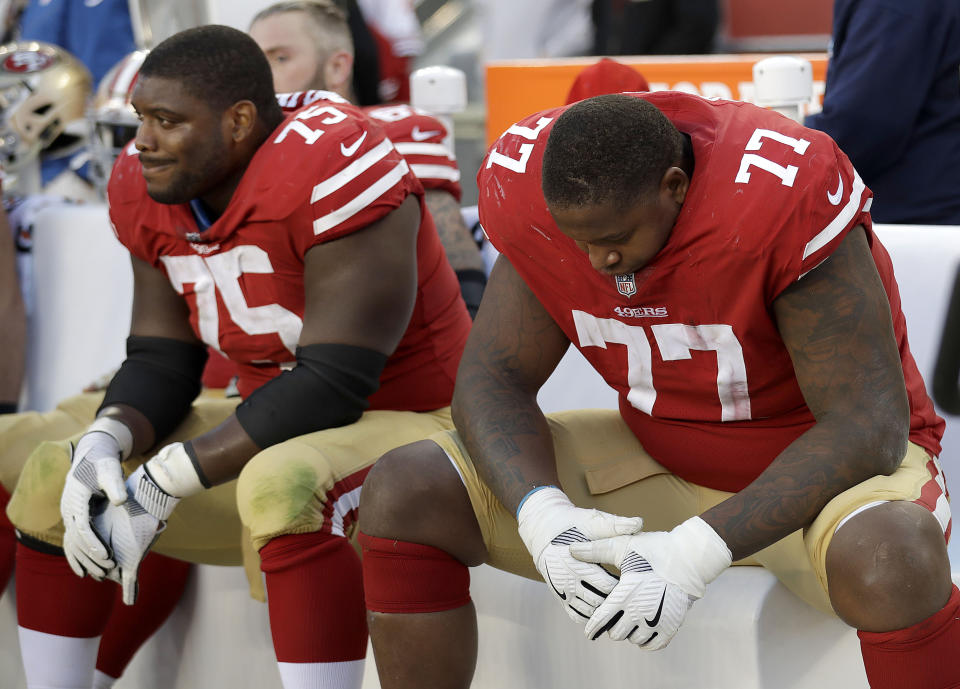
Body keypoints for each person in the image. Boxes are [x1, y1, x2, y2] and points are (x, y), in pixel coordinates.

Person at [357, 92, 956, 689]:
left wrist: (697, 550)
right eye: (579, 241)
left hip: (820, 481)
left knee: (891, 559)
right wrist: (543, 514)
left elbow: (868, 426)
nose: (597, 261)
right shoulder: (536, 198)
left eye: (614, 236)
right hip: (656, 457)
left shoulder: (775, 197)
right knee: (407, 487)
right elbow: (493, 380)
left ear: (674, 186)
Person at [7, 24, 470, 689]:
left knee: (282, 480)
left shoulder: (333, 160)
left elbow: (336, 382)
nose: (143, 141)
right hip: (275, 415)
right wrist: (108, 436)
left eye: (167, 121)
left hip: (416, 419)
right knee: (59, 471)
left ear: (239, 121)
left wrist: (172, 473)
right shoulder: (151, 184)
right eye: (142, 117)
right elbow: (164, 356)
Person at [249, 0, 486, 317]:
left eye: (280, 58)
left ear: (336, 67)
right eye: (252, 64)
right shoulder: (243, 149)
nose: (262, 77)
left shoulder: (385, 137)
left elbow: (461, 282)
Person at [803, 0, 960, 225]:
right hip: (930, 209)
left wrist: (787, 147)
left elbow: (861, 125)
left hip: (913, 219)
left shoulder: (892, 7)